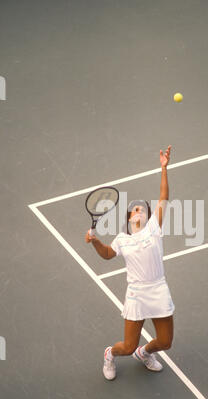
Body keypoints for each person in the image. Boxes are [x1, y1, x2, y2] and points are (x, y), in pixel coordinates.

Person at [85, 145, 175, 380]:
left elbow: (164, 197)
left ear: (147, 216)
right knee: (126, 346)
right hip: (136, 293)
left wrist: (164, 168)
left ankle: (144, 353)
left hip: (158, 288)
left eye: (142, 209)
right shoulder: (122, 239)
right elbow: (106, 254)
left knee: (165, 342)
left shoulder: (155, 228)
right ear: (129, 218)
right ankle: (109, 354)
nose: (139, 211)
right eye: (134, 210)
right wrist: (94, 241)